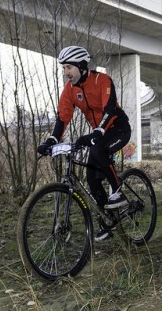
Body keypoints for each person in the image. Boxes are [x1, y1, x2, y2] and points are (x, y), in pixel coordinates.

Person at [37, 46, 132, 241]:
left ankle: (118, 191)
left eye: (69, 67)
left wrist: (98, 131)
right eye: (63, 68)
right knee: (91, 177)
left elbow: (110, 108)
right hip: (99, 132)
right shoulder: (70, 90)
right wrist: (52, 140)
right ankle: (107, 221)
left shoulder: (101, 80)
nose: (65, 73)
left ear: (81, 66)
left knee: (98, 150)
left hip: (118, 127)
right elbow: (63, 117)